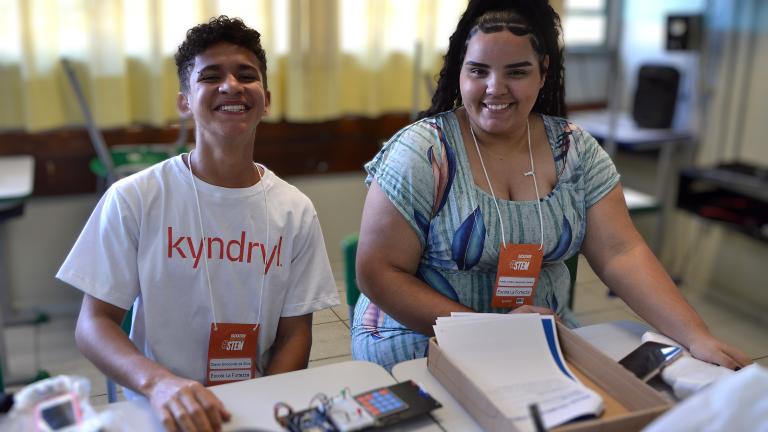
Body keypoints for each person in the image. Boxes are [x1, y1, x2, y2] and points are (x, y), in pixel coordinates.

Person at [351, 0, 751, 372]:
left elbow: (621, 252)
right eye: (478, 71)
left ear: (543, 71)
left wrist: (696, 336)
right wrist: (487, 329)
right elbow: (379, 271)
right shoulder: (422, 151)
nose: (495, 88)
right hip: (419, 335)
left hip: (535, 337)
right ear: (460, 70)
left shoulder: (575, 150)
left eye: (517, 72)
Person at [57, 16, 339, 431]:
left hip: (254, 405)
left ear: (266, 100)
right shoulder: (135, 198)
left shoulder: (294, 209)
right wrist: (160, 385)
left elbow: (295, 334)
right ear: (184, 102)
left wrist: (267, 408)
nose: (231, 86)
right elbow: (93, 324)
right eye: (211, 76)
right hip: (159, 405)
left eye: (246, 75)